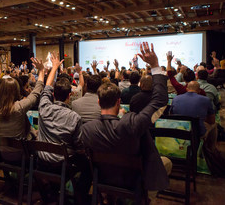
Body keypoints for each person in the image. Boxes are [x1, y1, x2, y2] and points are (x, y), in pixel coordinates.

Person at [82, 42, 170, 192]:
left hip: (102, 179)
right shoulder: (132, 123)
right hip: (133, 182)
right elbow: (160, 100)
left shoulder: (86, 129)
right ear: (118, 102)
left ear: (98, 102)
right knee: (166, 163)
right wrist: (155, 65)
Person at [38, 53, 90, 203]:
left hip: (42, 162)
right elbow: (79, 146)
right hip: (63, 166)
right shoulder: (74, 117)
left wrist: (54, 68)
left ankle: (53, 191)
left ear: (53, 95)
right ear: (69, 96)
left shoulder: (43, 107)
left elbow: (47, 86)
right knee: (88, 167)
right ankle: (80, 199)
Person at [0, 58, 44, 140]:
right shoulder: (19, 107)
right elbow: (36, 93)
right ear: (16, 91)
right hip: (22, 151)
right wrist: (41, 71)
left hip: (1, 151)